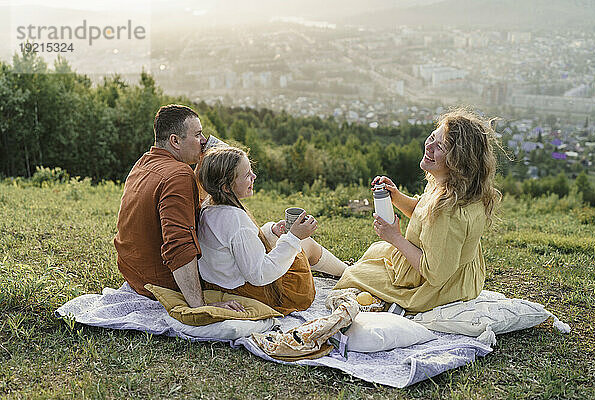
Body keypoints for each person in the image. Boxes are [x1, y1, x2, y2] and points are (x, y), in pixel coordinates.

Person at [335, 108, 501, 313]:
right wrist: (396, 196)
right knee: (373, 252)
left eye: (440, 146)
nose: (429, 146)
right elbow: (423, 214)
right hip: (452, 273)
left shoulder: (448, 212)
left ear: (457, 162)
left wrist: (395, 238)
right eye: (432, 137)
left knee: (354, 276)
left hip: (440, 289)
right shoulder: (451, 186)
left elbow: (436, 274)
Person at [114, 104, 241, 310]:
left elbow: (182, 207)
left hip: (134, 274)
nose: (203, 141)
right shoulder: (179, 175)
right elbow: (179, 245)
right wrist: (199, 306)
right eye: (198, 134)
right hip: (161, 283)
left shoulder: (144, 163)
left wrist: (204, 170)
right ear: (175, 140)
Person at [196, 146, 348, 315]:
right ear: (226, 187)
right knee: (305, 244)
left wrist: (271, 232)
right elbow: (259, 275)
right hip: (257, 293)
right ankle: (347, 272)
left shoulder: (209, 206)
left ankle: (345, 271)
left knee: (287, 240)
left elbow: (237, 247)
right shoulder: (236, 221)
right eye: (247, 175)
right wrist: (294, 237)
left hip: (221, 283)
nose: (254, 177)